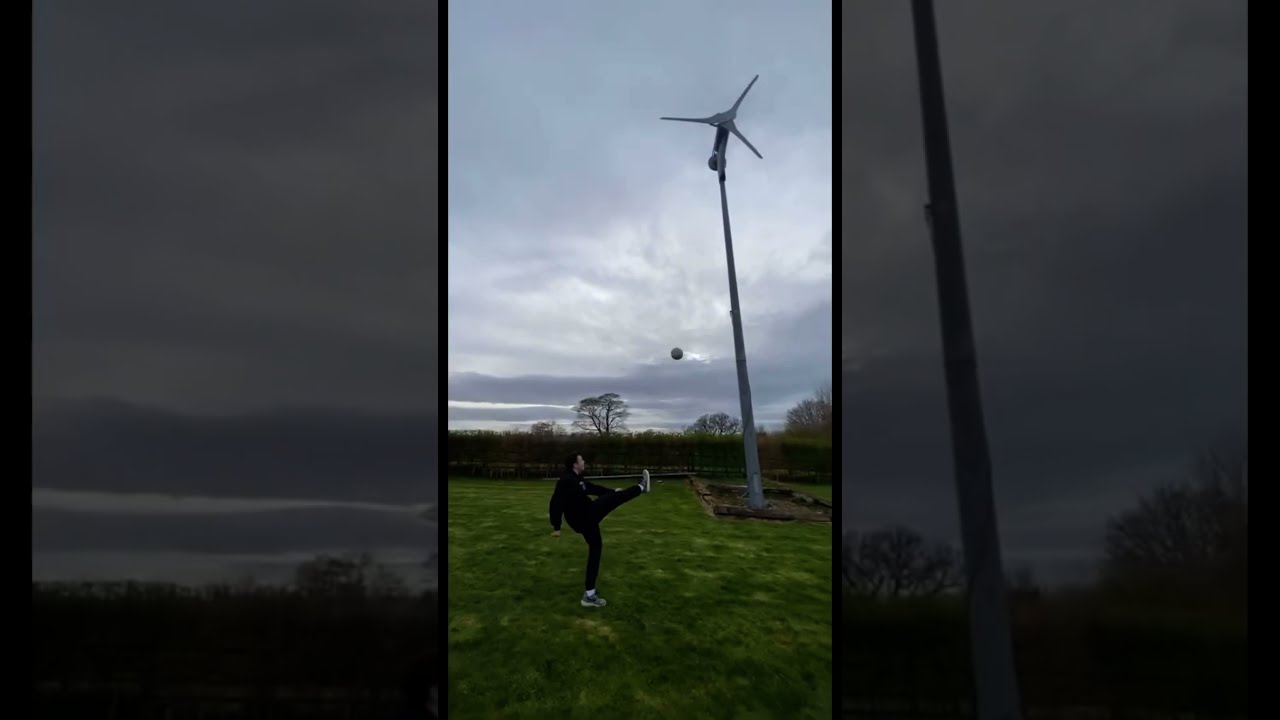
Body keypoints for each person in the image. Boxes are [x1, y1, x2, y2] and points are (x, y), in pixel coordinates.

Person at [549, 453, 649, 607]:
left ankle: (589, 595)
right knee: (611, 501)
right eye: (581, 460)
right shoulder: (566, 481)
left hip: (587, 516)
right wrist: (556, 526)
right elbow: (556, 502)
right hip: (583, 518)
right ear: (575, 464)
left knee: (596, 549)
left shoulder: (577, 479)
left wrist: (611, 491)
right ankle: (641, 487)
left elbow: (592, 488)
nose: (584, 461)